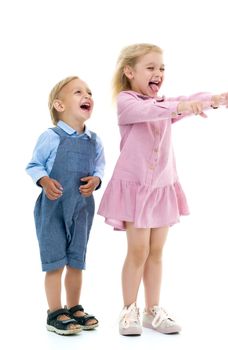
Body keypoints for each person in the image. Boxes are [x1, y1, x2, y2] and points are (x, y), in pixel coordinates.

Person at [97, 43, 228, 336]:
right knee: (138, 250)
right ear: (129, 71)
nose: (158, 73)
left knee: (157, 252)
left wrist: (214, 100)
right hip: (136, 189)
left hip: (162, 187)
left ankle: (152, 310)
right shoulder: (127, 102)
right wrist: (182, 106)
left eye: (161, 68)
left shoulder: (161, 104)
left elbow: (179, 102)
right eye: (150, 67)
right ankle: (128, 309)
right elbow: (158, 109)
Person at [26, 76, 105, 335]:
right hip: (54, 209)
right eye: (78, 92)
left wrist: (96, 180)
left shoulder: (94, 140)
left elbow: (99, 167)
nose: (87, 95)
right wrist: (45, 180)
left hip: (81, 209)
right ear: (59, 105)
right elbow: (34, 165)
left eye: (89, 92)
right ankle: (54, 312)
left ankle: (74, 307)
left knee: (76, 261)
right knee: (55, 262)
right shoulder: (51, 137)